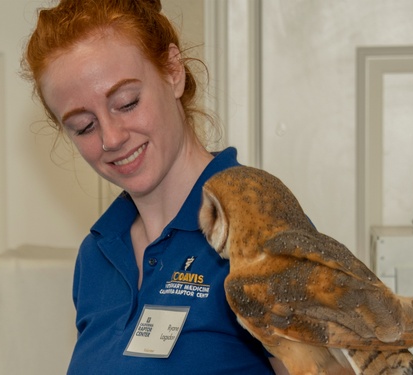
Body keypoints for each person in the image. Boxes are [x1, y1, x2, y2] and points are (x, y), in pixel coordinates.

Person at [22, 0, 289, 373]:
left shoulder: (256, 226)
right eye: (84, 126)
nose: (111, 138)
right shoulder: (97, 256)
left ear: (173, 72)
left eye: (127, 103)